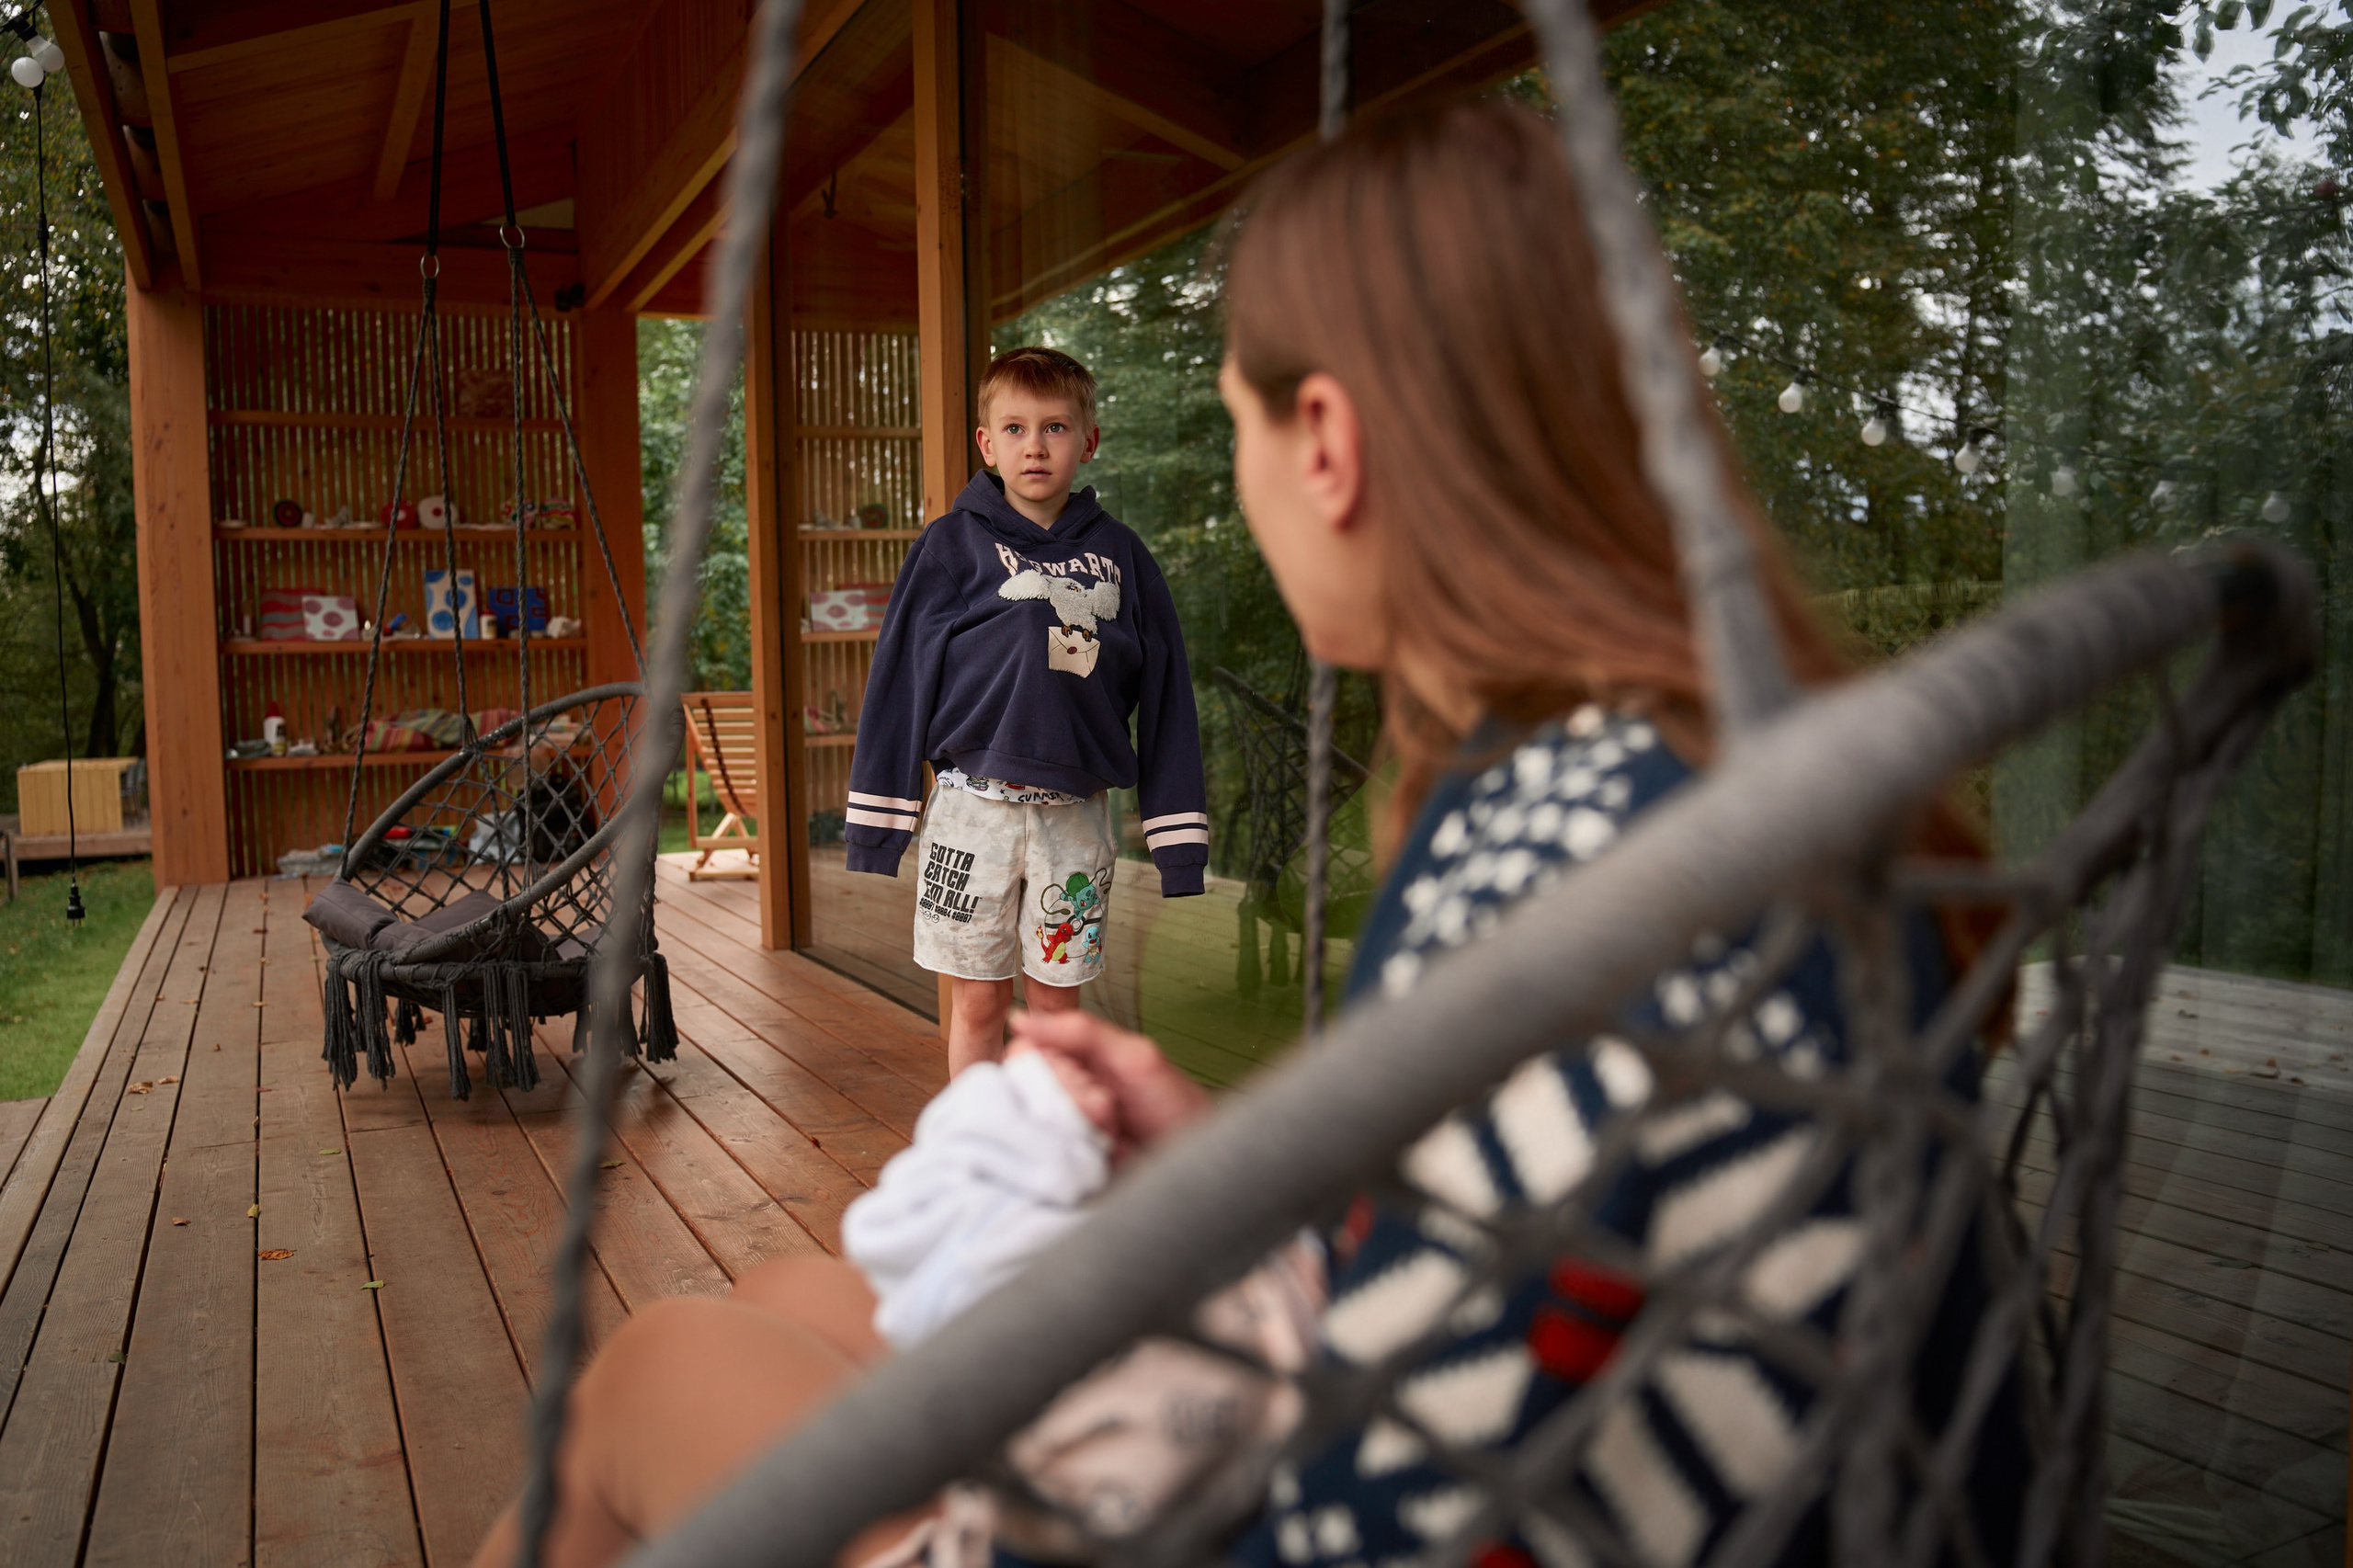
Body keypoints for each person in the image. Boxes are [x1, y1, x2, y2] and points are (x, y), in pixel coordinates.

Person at [469, 101, 2015, 1568]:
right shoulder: (1700, 774)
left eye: (1239, 422)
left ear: (1323, 439)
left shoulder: (1568, 878)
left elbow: (1403, 1466)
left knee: (666, 1361)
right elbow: (1493, 1251)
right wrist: (1226, 1167)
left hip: (1339, 1511)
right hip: (1533, 1442)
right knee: (804, 1289)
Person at [845, 347, 1210, 1074]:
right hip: (969, 813)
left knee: (1055, 1014)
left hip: (1073, 820)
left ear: (1088, 440)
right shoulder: (950, 547)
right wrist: (879, 826)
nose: (1035, 446)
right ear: (987, 444)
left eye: (1055, 427)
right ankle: (977, 1143)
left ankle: (1049, 1142)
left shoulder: (1122, 556)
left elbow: (1169, 695)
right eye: (1014, 428)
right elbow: (899, 680)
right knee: (978, 1004)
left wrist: (1177, 842)